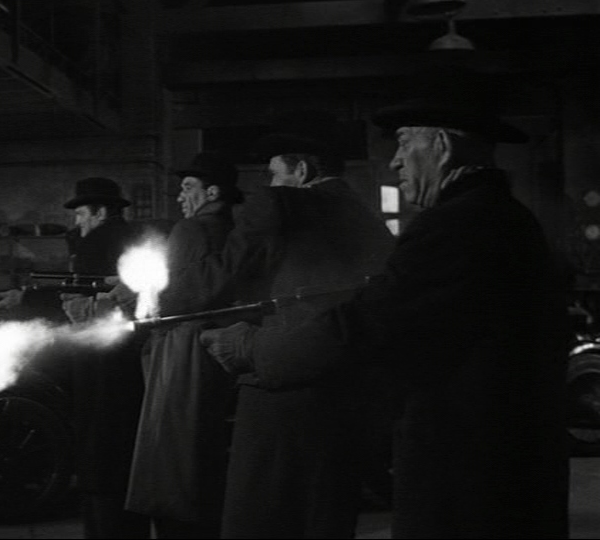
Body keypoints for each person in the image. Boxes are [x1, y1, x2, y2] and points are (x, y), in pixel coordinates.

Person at [201, 78, 570, 538]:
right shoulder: (499, 216)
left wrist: (255, 350)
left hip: (471, 476)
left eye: (404, 142)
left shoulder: (459, 224)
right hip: (498, 466)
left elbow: (369, 321)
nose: (395, 160)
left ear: (441, 146)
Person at [211, 128, 396, 538]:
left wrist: (142, 297)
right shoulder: (366, 216)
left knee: (260, 516)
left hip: (281, 385)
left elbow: (222, 275)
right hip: (345, 395)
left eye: (274, 173)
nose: (269, 183)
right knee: (323, 517)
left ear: (301, 171)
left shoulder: (281, 203)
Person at [0, 177, 150, 539]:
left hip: (100, 359)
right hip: (131, 358)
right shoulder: (135, 237)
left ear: (100, 211)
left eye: (81, 214)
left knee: (99, 451)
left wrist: (27, 299)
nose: (77, 223)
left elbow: (75, 296)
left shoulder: (97, 241)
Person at [124, 152, 243, 538]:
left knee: (172, 458)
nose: (180, 197)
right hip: (217, 349)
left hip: (182, 349)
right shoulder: (233, 231)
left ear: (213, 192)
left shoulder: (191, 230)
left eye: (188, 188)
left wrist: (131, 297)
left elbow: (171, 295)